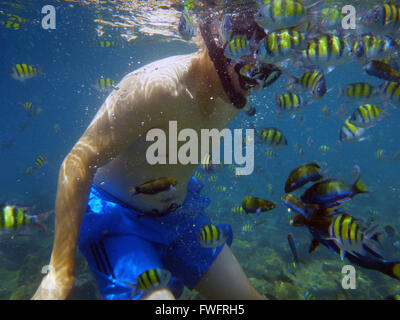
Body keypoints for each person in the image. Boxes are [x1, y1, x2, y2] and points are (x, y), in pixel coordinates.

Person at [32, 8, 280, 300]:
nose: (254, 84)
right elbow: (79, 160)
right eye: (249, 67)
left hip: (181, 214)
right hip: (117, 218)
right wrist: (60, 271)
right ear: (217, 44)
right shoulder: (159, 87)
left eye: (265, 72)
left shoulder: (234, 92)